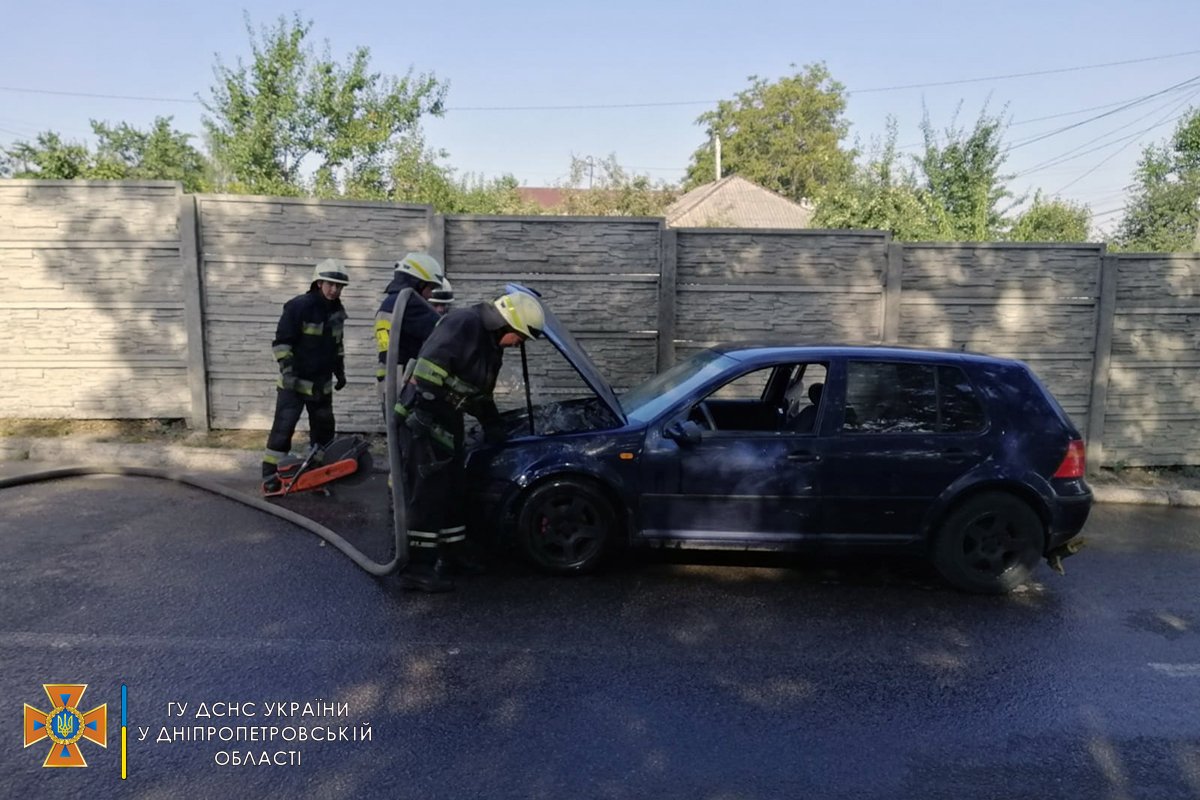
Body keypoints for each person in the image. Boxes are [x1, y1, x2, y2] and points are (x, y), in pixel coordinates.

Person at [394, 290, 545, 592]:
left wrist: (493, 426)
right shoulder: (464, 322)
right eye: (520, 337)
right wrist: (423, 410)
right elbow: (427, 368)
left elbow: (479, 393)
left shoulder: (492, 343)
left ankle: (452, 552)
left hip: (447, 418)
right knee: (428, 492)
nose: (519, 345)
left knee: (453, 487)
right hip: (422, 418)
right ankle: (417, 567)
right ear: (507, 324)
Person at [261, 258, 350, 493]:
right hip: (295, 384)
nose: (334, 290)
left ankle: (318, 474)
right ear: (318, 282)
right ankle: (270, 476)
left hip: (322, 385)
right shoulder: (298, 307)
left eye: (339, 286)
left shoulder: (337, 312)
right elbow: (282, 343)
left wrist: (340, 372)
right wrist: (288, 371)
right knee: (283, 429)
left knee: (323, 432)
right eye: (330, 284)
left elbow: (337, 345)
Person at [373, 252, 444, 390]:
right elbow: (444, 331)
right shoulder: (409, 303)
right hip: (405, 382)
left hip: (388, 382)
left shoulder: (390, 302)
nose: (430, 295)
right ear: (417, 283)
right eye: (430, 288)